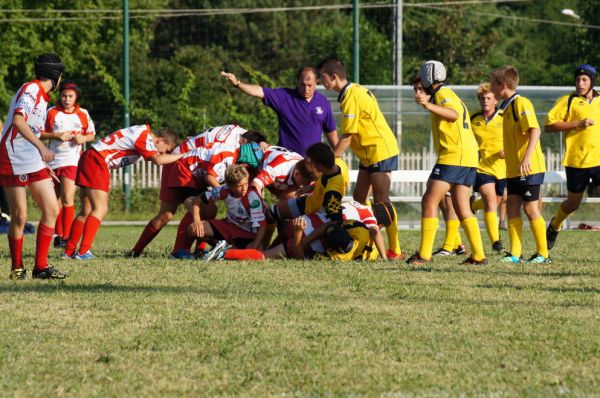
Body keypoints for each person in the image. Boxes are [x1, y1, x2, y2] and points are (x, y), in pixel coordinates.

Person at [317, 57, 404, 260]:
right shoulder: (353, 90)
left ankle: (395, 250)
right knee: (359, 198)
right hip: (368, 154)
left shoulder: (350, 97)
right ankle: (367, 239)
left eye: (322, 78)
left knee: (382, 201)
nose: (321, 82)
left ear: (333, 77)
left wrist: (329, 162)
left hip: (379, 150)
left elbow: (347, 137)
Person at [129, 125, 263, 257]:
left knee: (207, 210)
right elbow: (210, 176)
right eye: (248, 166)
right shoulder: (228, 153)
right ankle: (176, 251)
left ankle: (195, 249)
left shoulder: (238, 139)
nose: (247, 170)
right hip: (184, 168)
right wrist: (227, 194)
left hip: (193, 169)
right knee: (181, 212)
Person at [407, 62, 487, 266]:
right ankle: (478, 256)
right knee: (461, 206)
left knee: (429, 200)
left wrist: (427, 104)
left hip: (454, 155)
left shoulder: (442, 93)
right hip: (467, 155)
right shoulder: (446, 93)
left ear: (427, 78)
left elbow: (453, 114)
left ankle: (424, 255)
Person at [63, 125, 182, 259]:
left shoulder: (141, 131)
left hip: (90, 156)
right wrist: (183, 156)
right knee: (100, 208)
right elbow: (157, 160)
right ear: (160, 141)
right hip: (98, 160)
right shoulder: (145, 137)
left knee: (86, 211)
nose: (162, 154)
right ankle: (83, 252)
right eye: (165, 150)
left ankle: (68, 252)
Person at [0, 53, 68, 279]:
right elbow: (19, 121)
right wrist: (42, 149)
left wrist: (40, 160)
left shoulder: (42, 97)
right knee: (20, 215)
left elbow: (31, 129)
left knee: (51, 209)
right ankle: (17, 269)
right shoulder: (31, 89)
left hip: (31, 158)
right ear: (56, 76)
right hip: (12, 155)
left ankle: (41, 267)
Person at [490, 66, 550, 264]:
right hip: (514, 169)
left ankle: (543, 254)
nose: (491, 88)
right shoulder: (505, 107)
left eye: (493, 84)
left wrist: (526, 158)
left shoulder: (521, 103)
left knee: (531, 209)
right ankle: (515, 254)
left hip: (529, 167)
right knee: (512, 208)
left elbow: (535, 131)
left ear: (503, 85)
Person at [220, 66, 338, 157]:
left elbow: (331, 132)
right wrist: (237, 84)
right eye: (302, 85)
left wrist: (338, 156)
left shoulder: (323, 102)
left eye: (310, 85)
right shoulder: (284, 97)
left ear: (316, 82)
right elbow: (259, 91)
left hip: (312, 164)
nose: (306, 89)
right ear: (297, 82)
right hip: (287, 161)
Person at [545, 64, 600, 250]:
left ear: (592, 81)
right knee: (572, 204)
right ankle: (554, 226)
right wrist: (577, 123)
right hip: (576, 161)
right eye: (577, 79)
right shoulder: (568, 101)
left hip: (598, 160)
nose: (580, 83)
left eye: (584, 80)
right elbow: (549, 126)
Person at [42, 81, 96, 248]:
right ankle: (58, 235)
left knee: (67, 197)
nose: (66, 99)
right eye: (64, 95)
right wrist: (55, 135)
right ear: (60, 96)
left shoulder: (82, 113)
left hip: (72, 161)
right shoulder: (51, 112)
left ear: (76, 97)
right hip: (53, 160)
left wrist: (83, 138)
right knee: (54, 201)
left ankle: (66, 236)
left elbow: (91, 135)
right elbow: (39, 133)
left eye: (70, 96)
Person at [184, 164, 270, 260]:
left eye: (246, 183)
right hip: (228, 228)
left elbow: (262, 226)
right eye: (240, 185)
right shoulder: (223, 190)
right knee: (192, 229)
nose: (244, 188)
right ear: (229, 186)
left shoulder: (252, 197)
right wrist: (197, 221)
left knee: (258, 251)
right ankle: (204, 250)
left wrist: (253, 249)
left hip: (247, 234)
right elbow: (197, 200)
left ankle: (223, 251)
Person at [469, 82, 506, 254]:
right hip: (482, 168)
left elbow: (517, 138)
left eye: (488, 98)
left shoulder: (505, 117)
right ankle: (496, 242)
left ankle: (474, 205)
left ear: (496, 100)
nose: (485, 100)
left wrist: (508, 150)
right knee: (491, 202)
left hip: (503, 168)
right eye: (482, 98)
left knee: (497, 201)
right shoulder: (473, 118)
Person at [250, 145, 317, 200]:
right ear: (297, 174)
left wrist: (309, 188)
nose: (308, 184)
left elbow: (315, 185)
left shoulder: (308, 173)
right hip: (258, 164)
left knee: (304, 196)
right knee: (250, 194)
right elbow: (255, 185)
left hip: (279, 178)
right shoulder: (279, 169)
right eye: (305, 182)